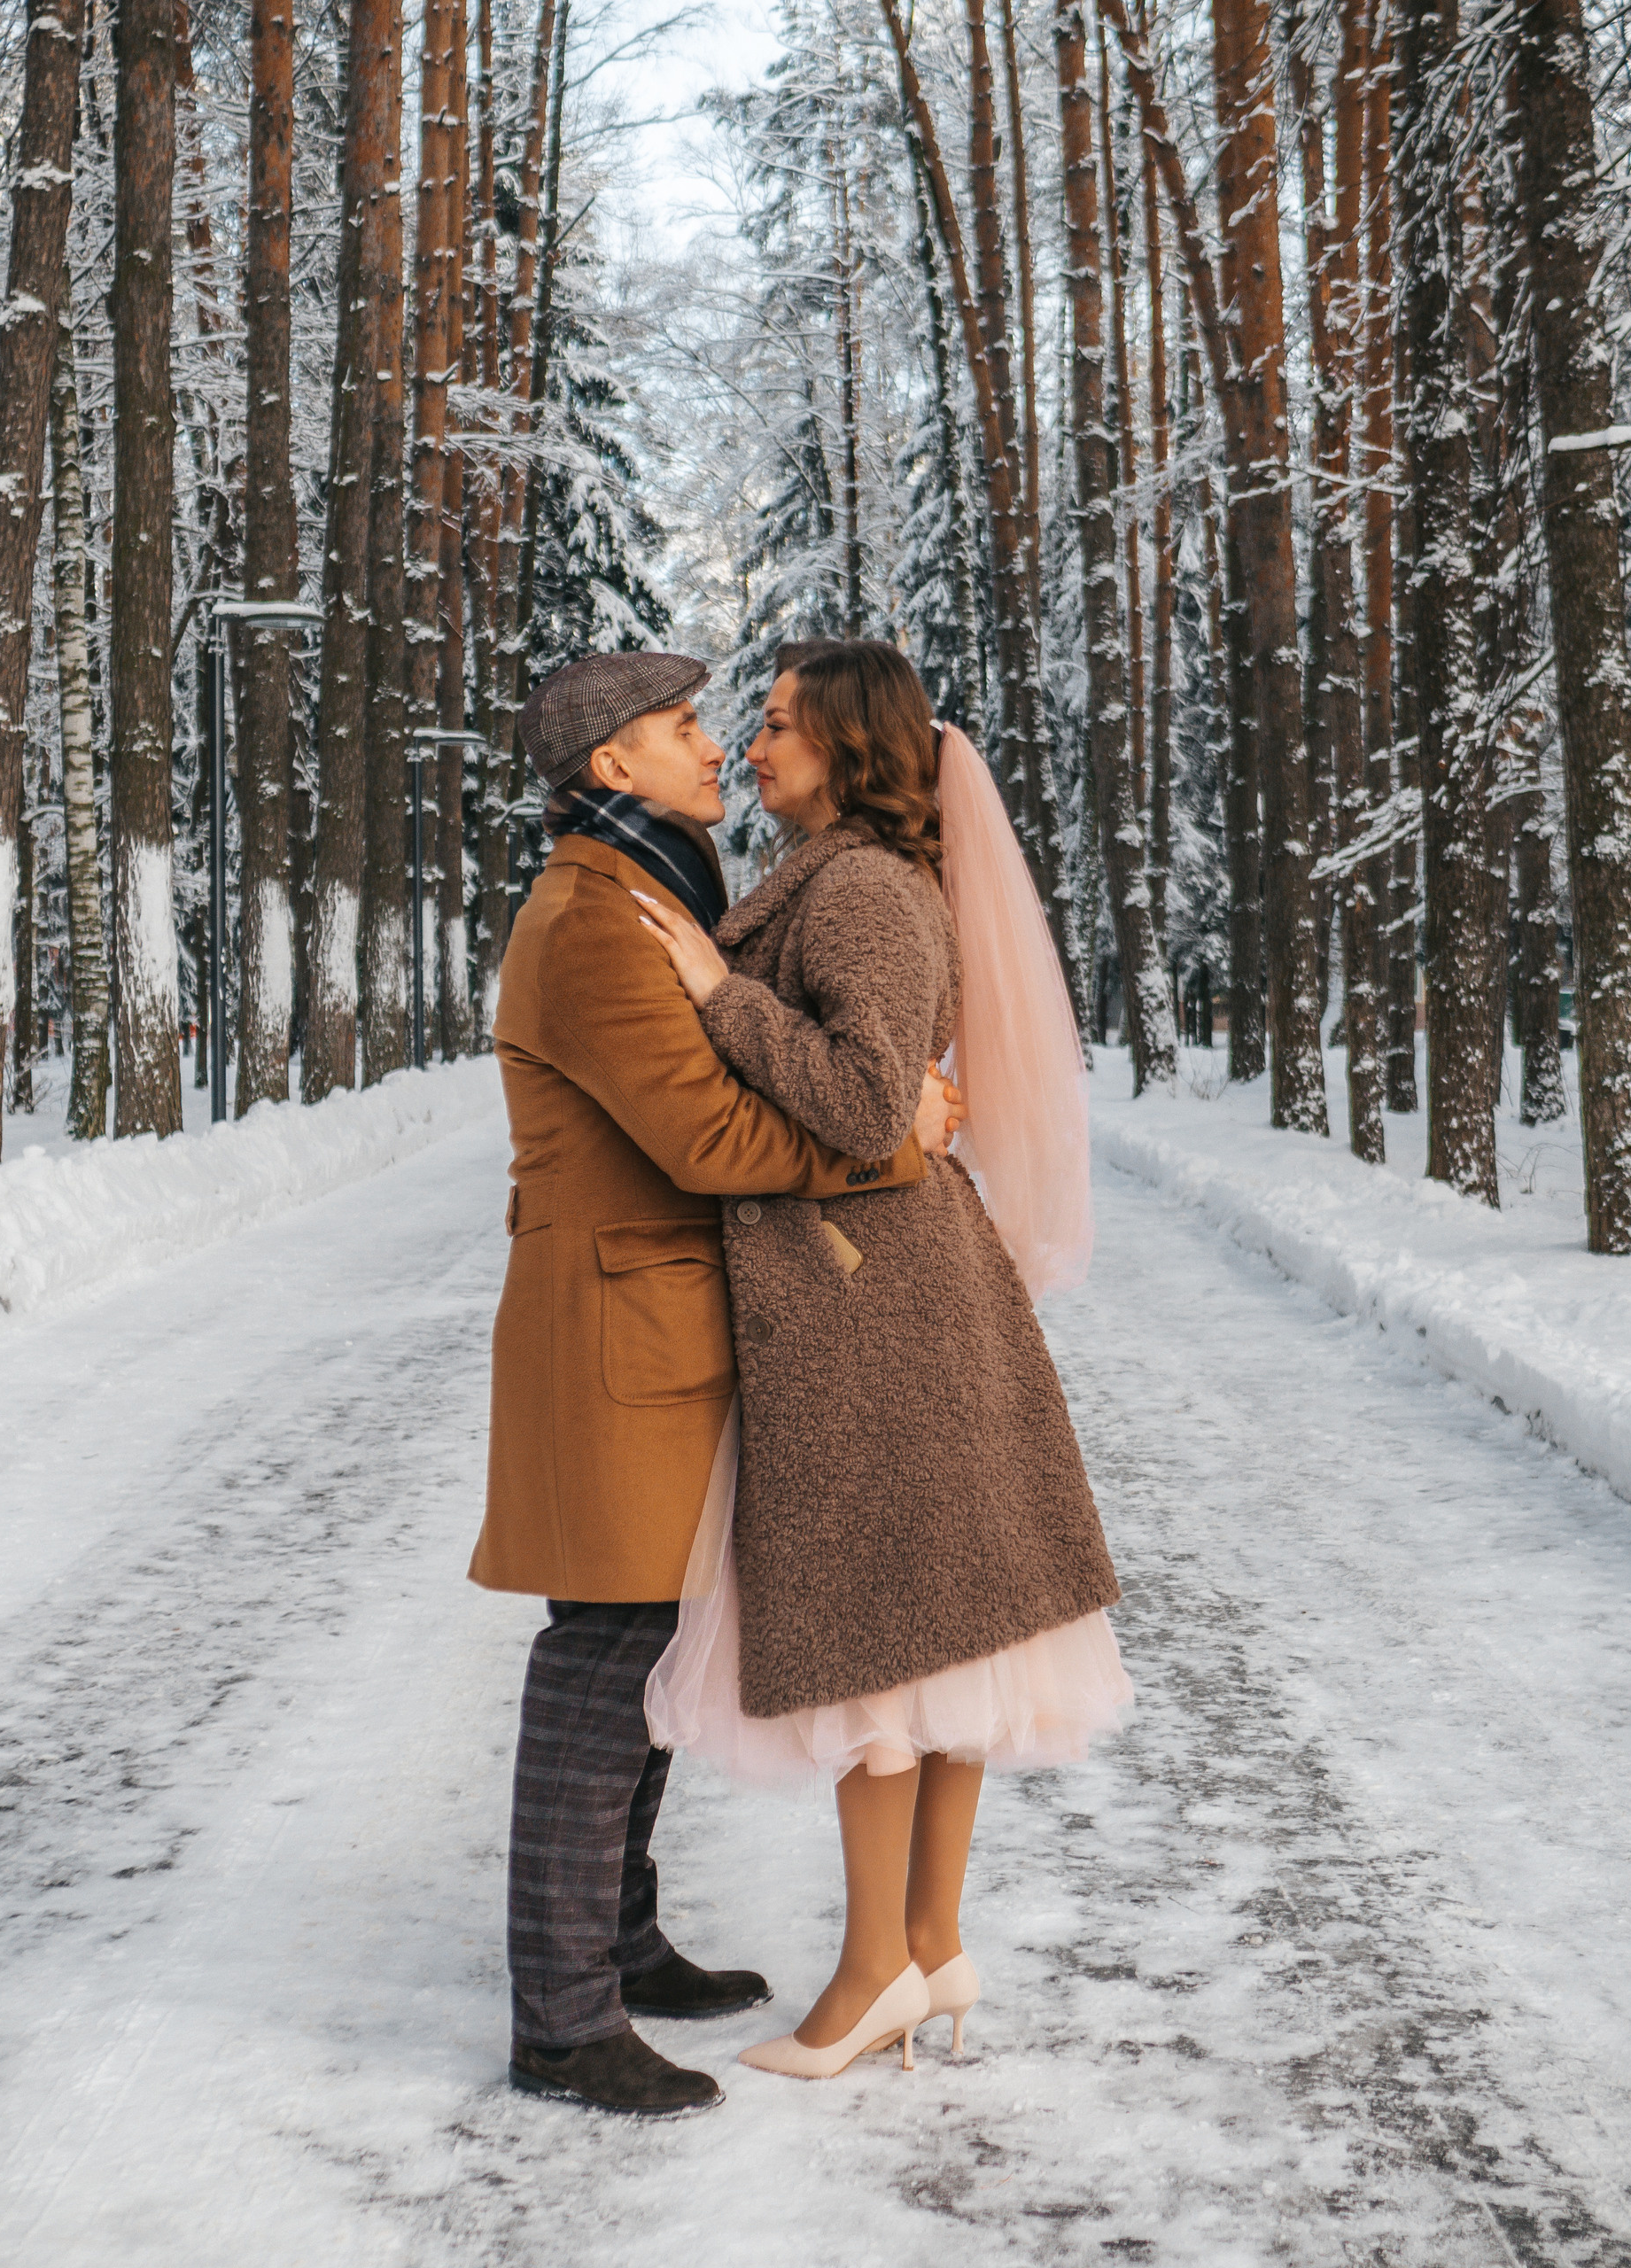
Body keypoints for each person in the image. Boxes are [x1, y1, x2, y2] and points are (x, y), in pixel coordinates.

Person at [467, 649, 962, 2117]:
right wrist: (894, 1142)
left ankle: (615, 1944)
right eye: (682, 728)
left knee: (648, 1645)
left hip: (661, 1330)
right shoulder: (597, 917)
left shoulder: (657, 894)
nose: (712, 743)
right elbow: (707, 1140)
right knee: (604, 1658)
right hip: (620, 1334)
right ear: (611, 766)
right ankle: (562, 2019)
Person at [638, 640, 1133, 2078]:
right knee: (939, 1637)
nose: (754, 742)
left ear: (852, 748)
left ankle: (869, 1981)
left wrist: (715, 993)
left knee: (884, 1650)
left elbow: (862, 1105)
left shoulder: (854, 887)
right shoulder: (853, 879)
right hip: (893, 1291)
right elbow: (886, 1092)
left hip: (872, 1303)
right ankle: (926, 1948)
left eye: (782, 723)